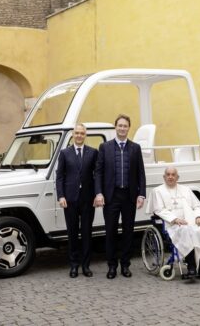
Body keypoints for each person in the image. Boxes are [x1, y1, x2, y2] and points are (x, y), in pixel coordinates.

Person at [94, 114, 146, 279]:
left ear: (128, 128)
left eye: (125, 126)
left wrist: (141, 194)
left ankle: (125, 265)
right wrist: (99, 192)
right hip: (111, 196)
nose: (122, 128)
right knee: (110, 232)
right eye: (120, 125)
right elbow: (98, 172)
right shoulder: (105, 147)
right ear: (115, 127)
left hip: (129, 196)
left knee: (128, 232)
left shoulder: (135, 148)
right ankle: (111, 266)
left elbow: (141, 173)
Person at [147, 166, 200, 277]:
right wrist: (174, 219)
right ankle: (191, 267)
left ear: (177, 177)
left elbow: (197, 206)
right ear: (164, 177)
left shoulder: (186, 189)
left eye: (173, 175)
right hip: (172, 225)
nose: (170, 177)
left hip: (190, 221)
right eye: (168, 174)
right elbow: (159, 210)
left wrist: (199, 217)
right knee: (185, 230)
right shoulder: (157, 191)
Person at [56, 123, 98, 278]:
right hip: (70, 199)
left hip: (88, 199)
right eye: (77, 133)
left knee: (87, 233)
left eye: (82, 133)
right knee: (72, 233)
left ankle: (86, 266)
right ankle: (74, 266)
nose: (79, 135)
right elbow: (60, 177)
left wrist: (97, 194)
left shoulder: (93, 152)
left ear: (85, 135)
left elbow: (97, 175)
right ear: (72, 135)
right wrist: (61, 196)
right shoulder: (64, 153)